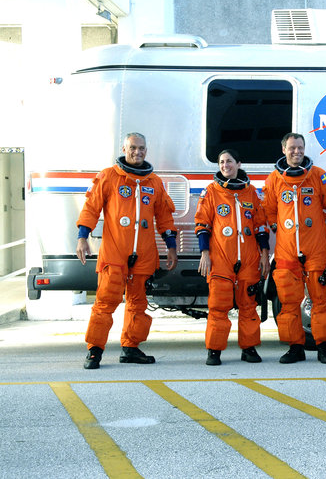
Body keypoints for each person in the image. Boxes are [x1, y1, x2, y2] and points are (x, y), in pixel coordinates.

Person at [76, 133, 178, 369]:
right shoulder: (110, 176)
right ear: (124, 148)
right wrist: (82, 237)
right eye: (133, 148)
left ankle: (131, 348)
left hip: (144, 254)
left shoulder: (153, 182)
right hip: (115, 252)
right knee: (105, 302)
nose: (138, 152)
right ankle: (94, 350)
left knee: (138, 303)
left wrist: (171, 247)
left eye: (142, 148)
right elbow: (91, 208)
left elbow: (164, 217)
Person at [262, 133, 326, 363]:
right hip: (287, 249)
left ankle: (324, 347)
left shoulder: (318, 176)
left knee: (320, 299)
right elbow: (269, 210)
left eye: (300, 147)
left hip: (315, 247)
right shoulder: (274, 179)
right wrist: (280, 229)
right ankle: (295, 347)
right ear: (283, 149)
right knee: (288, 300)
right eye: (292, 148)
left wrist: (321, 225)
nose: (296, 152)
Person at [195, 149, 270, 365]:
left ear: (238, 163)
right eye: (221, 162)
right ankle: (214, 350)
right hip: (220, 258)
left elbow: (261, 226)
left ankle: (249, 348)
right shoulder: (211, 191)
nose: (225, 165)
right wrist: (204, 253)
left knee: (248, 305)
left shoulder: (251, 193)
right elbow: (202, 224)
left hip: (248, 258)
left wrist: (264, 254)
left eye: (229, 161)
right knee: (218, 306)